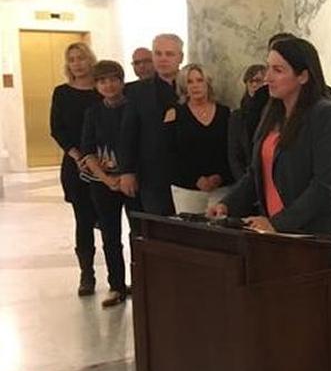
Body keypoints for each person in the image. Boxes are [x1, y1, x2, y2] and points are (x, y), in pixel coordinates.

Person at [207, 37, 331, 248]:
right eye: (268, 68)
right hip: (276, 235)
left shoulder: (325, 115)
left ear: (303, 76)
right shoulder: (272, 113)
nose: (268, 77)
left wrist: (278, 224)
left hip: (317, 235)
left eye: (278, 70)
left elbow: (324, 186)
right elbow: (256, 174)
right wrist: (227, 204)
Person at [80, 59, 142, 308]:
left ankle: (141, 281)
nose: (109, 85)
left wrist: (128, 173)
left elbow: (139, 144)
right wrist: (106, 179)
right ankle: (116, 285)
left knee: (137, 232)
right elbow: (87, 151)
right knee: (110, 235)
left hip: (133, 179)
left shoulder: (134, 107)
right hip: (103, 183)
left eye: (113, 79)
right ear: (96, 85)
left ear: (121, 81)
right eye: (102, 81)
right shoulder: (93, 113)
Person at [50, 41, 102, 296]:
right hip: (75, 165)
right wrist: (78, 155)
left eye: (81, 58)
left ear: (90, 59)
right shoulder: (62, 93)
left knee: (109, 221)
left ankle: (117, 277)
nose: (77, 64)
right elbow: (57, 129)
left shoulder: (102, 91)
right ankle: (87, 275)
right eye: (71, 60)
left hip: (103, 164)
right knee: (83, 220)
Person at [120, 33, 184, 216]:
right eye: (158, 53)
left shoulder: (192, 84)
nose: (163, 59)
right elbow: (128, 133)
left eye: (169, 54)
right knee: (158, 226)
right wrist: (127, 171)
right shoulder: (136, 91)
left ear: (180, 57)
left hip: (188, 172)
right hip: (153, 174)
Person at [167, 64, 233, 214]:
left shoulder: (226, 113)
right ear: (184, 87)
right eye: (190, 82)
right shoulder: (174, 114)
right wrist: (196, 179)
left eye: (199, 80)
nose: (195, 85)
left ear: (207, 83)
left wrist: (220, 177)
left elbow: (231, 150)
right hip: (187, 189)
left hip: (221, 188)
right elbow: (170, 154)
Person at [227, 64, 266, 181]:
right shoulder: (237, 117)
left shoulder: (275, 115)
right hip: (247, 177)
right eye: (250, 81)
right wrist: (244, 182)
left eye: (259, 81)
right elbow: (234, 155)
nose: (254, 85)